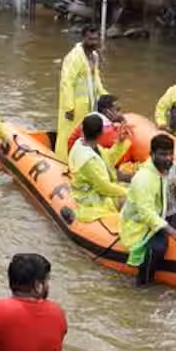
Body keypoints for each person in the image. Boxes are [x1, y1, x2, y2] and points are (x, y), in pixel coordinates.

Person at [121, 133, 176, 285]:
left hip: (171, 211)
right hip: (145, 223)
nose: (168, 158)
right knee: (157, 249)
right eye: (163, 154)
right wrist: (173, 232)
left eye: (170, 154)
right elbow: (147, 214)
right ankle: (143, 283)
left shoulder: (174, 168)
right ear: (152, 154)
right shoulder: (143, 179)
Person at [55, 26, 106, 162]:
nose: (93, 42)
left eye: (96, 39)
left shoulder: (94, 56)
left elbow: (96, 79)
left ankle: (81, 160)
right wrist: (69, 106)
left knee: (84, 134)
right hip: (74, 105)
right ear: (84, 38)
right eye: (90, 39)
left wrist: (104, 96)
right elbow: (67, 81)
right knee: (69, 133)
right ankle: (63, 160)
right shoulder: (74, 57)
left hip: (88, 104)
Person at [69, 113, 129, 222]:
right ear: (101, 132)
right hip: (90, 199)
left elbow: (108, 161)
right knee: (128, 199)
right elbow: (103, 187)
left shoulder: (86, 145)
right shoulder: (88, 160)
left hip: (98, 188)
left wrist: (120, 142)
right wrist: (127, 192)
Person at [62, 93, 134, 171]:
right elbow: (125, 155)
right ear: (107, 112)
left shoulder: (90, 119)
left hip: (76, 160)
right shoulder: (105, 130)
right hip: (87, 166)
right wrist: (124, 124)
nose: (121, 114)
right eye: (118, 110)